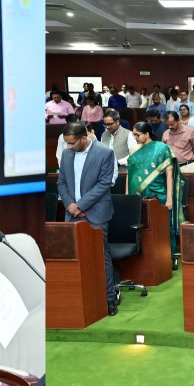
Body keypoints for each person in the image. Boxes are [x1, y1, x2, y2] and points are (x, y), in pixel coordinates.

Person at [58, 122, 120, 313]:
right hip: (72, 214)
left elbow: (104, 184)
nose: (69, 147)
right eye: (67, 143)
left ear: (84, 138)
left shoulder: (104, 153)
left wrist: (81, 205)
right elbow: (61, 182)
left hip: (95, 213)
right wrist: (71, 205)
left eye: (72, 143)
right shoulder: (67, 154)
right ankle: (81, 299)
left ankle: (109, 298)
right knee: (75, 258)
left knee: (101, 256)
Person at [127, 121, 185, 253]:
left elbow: (169, 175)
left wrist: (169, 199)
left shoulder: (161, 148)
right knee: (142, 227)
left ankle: (166, 256)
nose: (135, 138)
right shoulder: (134, 149)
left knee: (162, 227)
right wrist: (128, 196)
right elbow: (130, 175)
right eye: (133, 135)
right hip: (137, 194)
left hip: (158, 194)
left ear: (147, 134)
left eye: (137, 135)